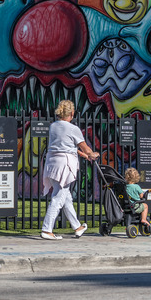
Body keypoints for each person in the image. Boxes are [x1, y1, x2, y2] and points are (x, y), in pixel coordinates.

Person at [41, 100, 100, 240]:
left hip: (52, 163)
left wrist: (82, 154)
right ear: (72, 113)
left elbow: (64, 145)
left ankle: (77, 227)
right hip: (64, 165)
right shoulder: (73, 128)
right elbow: (84, 146)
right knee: (58, 197)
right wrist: (92, 154)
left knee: (66, 197)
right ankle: (47, 229)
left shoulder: (53, 126)